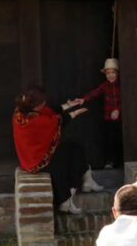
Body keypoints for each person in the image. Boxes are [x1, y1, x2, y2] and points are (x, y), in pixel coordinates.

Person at [12, 85, 103, 213]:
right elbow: (57, 121)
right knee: (66, 161)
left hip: (31, 158)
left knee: (74, 148)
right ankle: (66, 200)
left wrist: (68, 105)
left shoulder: (20, 113)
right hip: (38, 161)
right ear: (36, 105)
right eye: (42, 103)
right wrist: (74, 113)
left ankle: (86, 181)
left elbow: (49, 111)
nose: (44, 105)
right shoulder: (37, 120)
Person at [76, 58, 122, 169]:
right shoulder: (105, 86)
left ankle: (120, 162)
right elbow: (95, 93)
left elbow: (127, 100)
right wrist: (84, 99)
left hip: (121, 120)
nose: (110, 75)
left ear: (118, 73)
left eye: (113, 72)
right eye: (108, 73)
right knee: (109, 141)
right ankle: (111, 162)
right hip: (108, 119)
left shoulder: (122, 85)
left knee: (119, 141)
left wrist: (118, 110)